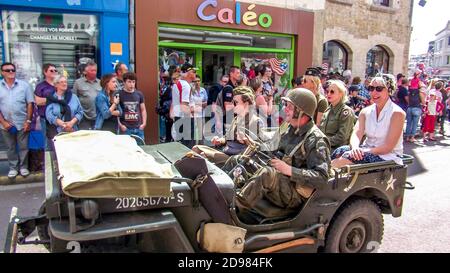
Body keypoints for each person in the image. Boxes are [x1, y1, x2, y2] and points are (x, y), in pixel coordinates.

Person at [235, 88, 331, 211]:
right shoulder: (288, 128)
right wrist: (253, 143)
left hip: (294, 193)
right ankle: (223, 192)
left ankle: (235, 209)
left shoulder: (316, 139)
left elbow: (322, 178)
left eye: (290, 107)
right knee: (240, 159)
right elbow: (272, 147)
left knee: (266, 174)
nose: (285, 109)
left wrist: (289, 170)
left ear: (301, 111)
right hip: (280, 181)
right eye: (286, 105)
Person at [332, 77, 405, 167]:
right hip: (367, 149)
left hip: (388, 157)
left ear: (389, 90)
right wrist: (355, 148)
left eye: (379, 89)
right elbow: (357, 133)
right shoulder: (365, 111)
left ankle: (325, 177)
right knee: (339, 151)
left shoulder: (397, 113)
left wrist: (363, 151)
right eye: (371, 88)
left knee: (346, 157)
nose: (373, 92)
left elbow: (388, 147)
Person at [192, 86, 264, 166]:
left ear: (246, 103)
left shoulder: (256, 121)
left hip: (237, 159)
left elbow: (260, 148)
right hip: (227, 152)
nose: (232, 105)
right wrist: (219, 140)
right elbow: (227, 137)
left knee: (200, 154)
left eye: (236, 102)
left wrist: (247, 140)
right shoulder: (236, 119)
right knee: (196, 149)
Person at [0, 62, 35, 178]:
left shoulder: (24, 85)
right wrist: (3, 122)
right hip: (5, 123)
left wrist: (28, 121)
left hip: (22, 122)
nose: (11, 72)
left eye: (12, 70)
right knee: (10, 147)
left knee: (24, 146)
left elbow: (30, 103)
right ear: (2, 72)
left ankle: (24, 167)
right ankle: (13, 168)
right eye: (7, 70)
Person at [320, 80, 356, 153]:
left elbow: (342, 137)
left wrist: (323, 142)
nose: (328, 94)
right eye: (327, 92)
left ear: (341, 94)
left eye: (332, 92)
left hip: (337, 150)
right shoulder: (328, 110)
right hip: (324, 146)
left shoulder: (345, 112)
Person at [45, 75, 84, 142]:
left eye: (65, 82)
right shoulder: (51, 98)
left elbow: (80, 112)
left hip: (73, 130)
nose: (64, 84)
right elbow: (49, 115)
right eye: (62, 82)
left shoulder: (73, 97)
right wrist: (63, 125)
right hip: (56, 131)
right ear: (56, 85)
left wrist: (71, 123)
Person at [170, 63, 197, 147]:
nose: (195, 73)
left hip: (180, 118)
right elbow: (184, 106)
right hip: (185, 120)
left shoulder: (178, 84)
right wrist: (193, 110)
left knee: (181, 146)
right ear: (188, 73)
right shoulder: (185, 85)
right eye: (194, 71)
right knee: (187, 148)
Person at [34, 63, 58, 149]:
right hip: (45, 118)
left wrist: (47, 100)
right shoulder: (41, 86)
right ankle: (48, 161)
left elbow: (65, 99)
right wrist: (55, 99)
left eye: (55, 70)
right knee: (47, 142)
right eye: (51, 70)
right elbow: (38, 102)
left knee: (59, 141)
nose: (54, 72)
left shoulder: (59, 84)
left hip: (59, 118)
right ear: (45, 72)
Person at [72, 61, 101, 130]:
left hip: (98, 117)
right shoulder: (78, 83)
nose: (94, 72)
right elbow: (73, 100)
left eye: (95, 70)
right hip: (84, 117)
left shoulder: (100, 83)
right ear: (85, 72)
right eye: (92, 70)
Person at [118, 72, 147, 140]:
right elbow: (117, 111)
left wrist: (144, 123)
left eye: (133, 82)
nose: (132, 84)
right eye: (129, 82)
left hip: (138, 128)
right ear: (124, 82)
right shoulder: (119, 94)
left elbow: (143, 109)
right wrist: (120, 125)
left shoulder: (139, 94)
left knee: (141, 148)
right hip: (126, 128)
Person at [215, 66, 241, 135]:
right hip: (229, 121)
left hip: (233, 121)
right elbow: (228, 108)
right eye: (237, 73)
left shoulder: (234, 87)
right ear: (231, 74)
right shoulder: (228, 88)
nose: (239, 75)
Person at [405, 77, 425, 143]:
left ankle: (407, 137)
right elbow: (423, 101)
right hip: (417, 107)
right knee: (415, 124)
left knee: (408, 123)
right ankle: (412, 137)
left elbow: (407, 99)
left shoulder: (409, 91)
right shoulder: (420, 92)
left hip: (409, 108)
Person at [190, 75, 208, 145]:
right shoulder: (191, 91)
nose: (197, 82)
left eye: (198, 81)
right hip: (193, 115)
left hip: (201, 115)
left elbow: (206, 103)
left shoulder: (203, 90)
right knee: (193, 133)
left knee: (201, 134)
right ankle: (193, 147)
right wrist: (201, 103)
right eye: (195, 81)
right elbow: (191, 103)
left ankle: (201, 147)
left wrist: (197, 104)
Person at [157, 71, 173, 142]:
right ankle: (164, 137)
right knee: (165, 125)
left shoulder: (169, 87)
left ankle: (165, 137)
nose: (164, 78)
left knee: (167, 126)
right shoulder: (166, 86)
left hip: (169, 109)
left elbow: (163, 96)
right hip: (167, 110)